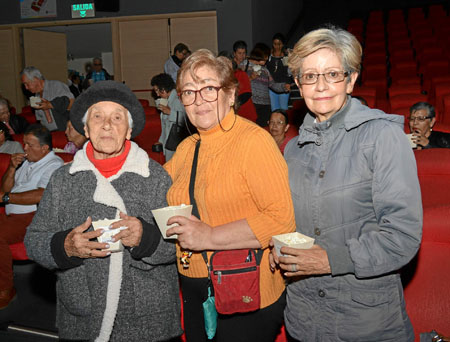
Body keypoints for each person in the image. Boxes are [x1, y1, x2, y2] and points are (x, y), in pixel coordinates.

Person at [272, 27, 422, 341]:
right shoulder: (291, 151)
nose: (321, 85)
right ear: (298, 84)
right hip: (304, 319)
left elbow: (402, 237)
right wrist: (278, 246)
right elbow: (290, 222)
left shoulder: (382, 136)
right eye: (310, 76)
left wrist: (330, 260)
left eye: (333, 74)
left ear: (351, 80)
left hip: (366, 322)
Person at [24, 81, 182, 341]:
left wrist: (146, 238)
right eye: (98, 116)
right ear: (85, 128)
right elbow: (34, 240)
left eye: (117, 118)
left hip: (147, 318)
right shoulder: (63, 179)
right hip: (83, 314)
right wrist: (65, 246)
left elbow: (180, 244)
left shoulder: (156, 177)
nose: (107, 125)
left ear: (129, 131)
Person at [164, 49, 295, 342]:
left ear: (230, 93)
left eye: (209, 88)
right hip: (195, 285)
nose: (199, 101)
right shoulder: (187, 148)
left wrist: (209, 237)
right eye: (188, 92)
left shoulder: (254, 141)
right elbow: (156, 189)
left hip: (245, 288)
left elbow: (281, 221)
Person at [0, 124, 63, 309]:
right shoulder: (26, 161)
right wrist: (12, 168)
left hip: (32, 215)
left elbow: (41, 194)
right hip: (12, 213)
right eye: (24, 144)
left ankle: (5, 288)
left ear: (44, 149)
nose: (24, 148)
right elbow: (5, 188)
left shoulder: (54, 164)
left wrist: (6, 197)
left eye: (29, 145)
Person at [247, 46, 291, 127]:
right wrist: (250, 78)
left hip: (265, 105)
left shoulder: (265, 70)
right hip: (253, 103)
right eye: (265, 56)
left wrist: (283, 86)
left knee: (264, 128)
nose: (267, 58)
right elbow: (240, 83)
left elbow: (272, 84)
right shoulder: (246, 67)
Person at [21, 66, 74, 132]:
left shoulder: (56, 86)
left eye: (26, 84)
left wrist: (50, 104)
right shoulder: (36, 96)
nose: (26, 88)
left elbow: (71, 102)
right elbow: (40, 120)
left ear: (35, 79)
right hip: (49, 133)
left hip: (64, 131)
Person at [150, 73, 186, 161]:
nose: (157, 94)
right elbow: (165, 126)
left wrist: (170, 112)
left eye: (157, 91)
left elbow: (186, 120)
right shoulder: (167, 101)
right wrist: (161, 141)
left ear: (164, 89)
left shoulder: (177, 100)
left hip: (177, 143)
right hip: (170, 143)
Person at [266, 33, 292, 111]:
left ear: (283, 44)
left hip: (284, 86)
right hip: (272, 86)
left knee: (283, 109)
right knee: (274, 109)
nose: (277, 46)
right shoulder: (269, 55)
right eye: (275, 44)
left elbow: (290, 72)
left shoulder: (286, 55)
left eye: (279, 44)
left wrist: (290, 58)